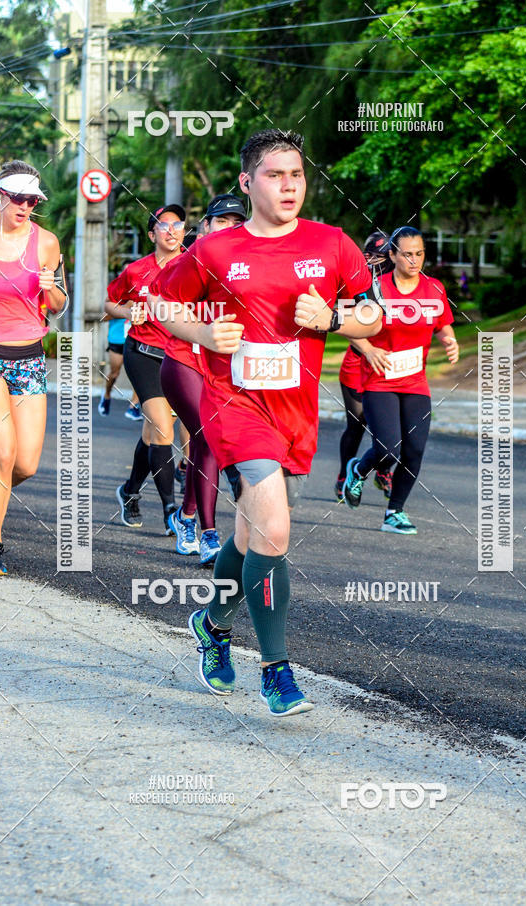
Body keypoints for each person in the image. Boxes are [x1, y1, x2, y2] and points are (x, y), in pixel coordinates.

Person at [151, 129, 381, 716]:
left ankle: (212, 621)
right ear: (247, 183)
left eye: (296, 175)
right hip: (234, 403)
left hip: (296, 413)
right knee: (274, 529)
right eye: (275, 175)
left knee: (254, 535)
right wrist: (202, 333)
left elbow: (373, 317)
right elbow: (162, 304)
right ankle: (277, 672)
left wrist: (333, 319)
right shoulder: (216, 251)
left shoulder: (332, 244)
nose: (288, 186)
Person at [343, 225, 459, 533]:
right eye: (407, 254)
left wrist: (450, 340)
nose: (414, 260)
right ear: (392, 255)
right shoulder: (374, 289)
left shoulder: (434, 288)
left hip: (415, 381)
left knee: (415, 450)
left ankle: (395, 512)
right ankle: (359, 469)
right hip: (379, 380)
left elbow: (443, 323)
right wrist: (367, 349)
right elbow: (350, 328)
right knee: (388, 448)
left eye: (419, 254)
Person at [0, 160, 67, 575]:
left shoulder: (47, 243)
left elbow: (59, 306)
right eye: (17, 198)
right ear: (0, 195)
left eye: (32, 200)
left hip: (30, 355)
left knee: (25, 464)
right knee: (2, 451)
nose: (25, 206)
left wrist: (50, 288)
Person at [160, 193, 247, 566]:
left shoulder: (245, 266)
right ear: (206, 226)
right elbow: (162, 306)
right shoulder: (185, 263)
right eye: (222, 221)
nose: (229, 228)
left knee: (205, 442)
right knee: (208, 434)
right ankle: (209, 535)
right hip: (182, 360)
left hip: (223, 367)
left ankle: (186, 516)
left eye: (236, 222)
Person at [104, 205, 186, 534]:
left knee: (151, 433)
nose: (171, 230)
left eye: (177, 224)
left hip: (180, 357)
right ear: (152, 235)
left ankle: (129, 491)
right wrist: (128, 312)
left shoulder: (194, 266)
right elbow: (108, 303)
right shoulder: (137, 270)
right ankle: (171, 512)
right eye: (163, 226)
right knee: (163, 430)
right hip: (143, 354)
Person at [335, 231, 393, 502]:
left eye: (378, 256)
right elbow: (344, 324)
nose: (370, 261)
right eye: (366, 255)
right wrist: (367, 348)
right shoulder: (358, 284)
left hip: (392, 367)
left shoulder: (403, 284)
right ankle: (344, 475)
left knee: (393, 426)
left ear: (392, 257)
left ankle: (383, 467)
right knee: (357, 423)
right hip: (358, 363)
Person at [97, 313, 142, 418]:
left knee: (138, 374)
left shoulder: (142, 296)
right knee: (114, 373)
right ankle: (107, 395)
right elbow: (103, 317)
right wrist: (125, 312)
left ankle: (133, 406)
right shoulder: (116, 299)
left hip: (136, 339)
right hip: (117, 339)